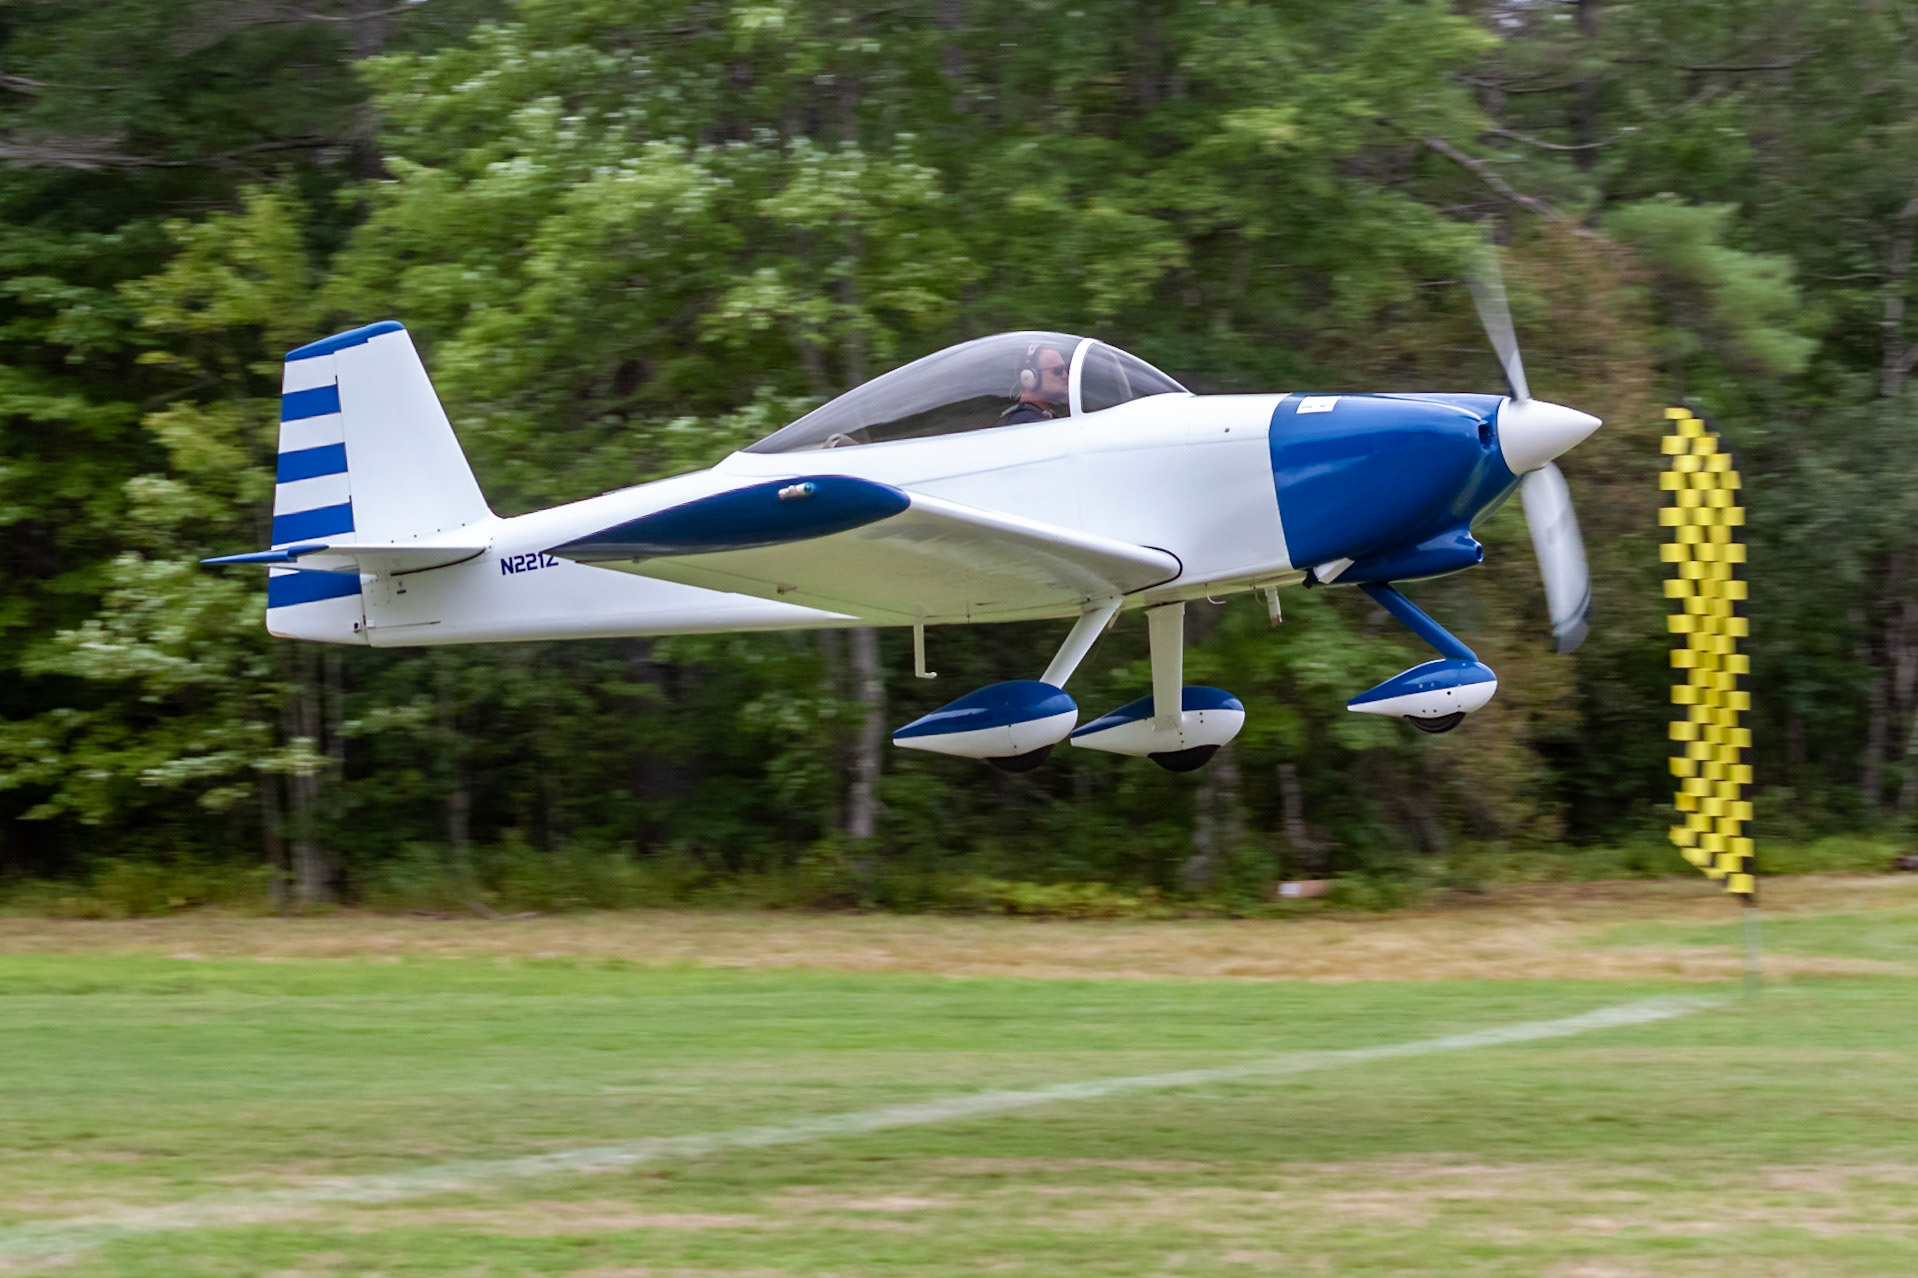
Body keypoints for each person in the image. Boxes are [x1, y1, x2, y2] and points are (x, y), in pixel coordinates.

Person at [1000, 342, 1070, 424]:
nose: (1066, 375)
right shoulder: (1025, 422)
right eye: (1058, 370)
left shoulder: (1043, 415)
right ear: (1030, 377)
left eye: (1065, 369)